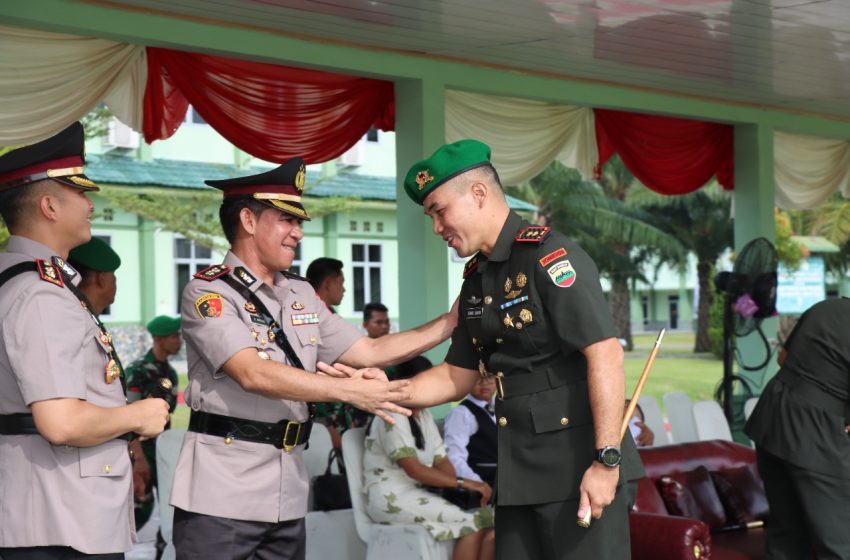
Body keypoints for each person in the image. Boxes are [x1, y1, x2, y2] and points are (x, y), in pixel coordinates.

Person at [360, 139, 644, 559]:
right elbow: (455, 376)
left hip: (576, 468)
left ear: (478, 194)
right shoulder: (476, 279)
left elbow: (605, 353)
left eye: (439, 210)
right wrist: (379, 391)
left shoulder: (549, 256)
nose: (437, 227)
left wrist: (606, 462)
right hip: (517, 472)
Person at [169, 157, 458, 560]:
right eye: (286, 220)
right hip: (223, 495)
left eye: (299, 222)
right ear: (248, 220)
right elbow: (252, 372)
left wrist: (450, 322)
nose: (297, 233)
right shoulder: (210, 294)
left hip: (287, 492)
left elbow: (369, 351)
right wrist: (347, 391)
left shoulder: (300, 294)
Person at [0, 122, 169, 558]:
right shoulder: (40, 293)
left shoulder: (28, 283)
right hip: (59, 521)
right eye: (80, 193)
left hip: (47, 512)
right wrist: (139, 415)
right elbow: (63, 422)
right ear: (49, 206)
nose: (90, 204)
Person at [745, 297, 850, 559]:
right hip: (814, 428)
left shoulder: (826, 307)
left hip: (772, 416)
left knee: (786, 534)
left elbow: (783, 358)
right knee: (841, 542)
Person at [363, 356, 495, 560]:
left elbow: (441, 461)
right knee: (475, 523)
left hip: (417, 494)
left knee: (491, 522)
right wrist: (466, 484)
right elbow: (414, 469)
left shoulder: (422, 414)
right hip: (391, 498)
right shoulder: (392, 413)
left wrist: (464, 489)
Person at [125, 314, 182, 552]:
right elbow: (128, 419)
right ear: (158, 338)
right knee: (141, 508)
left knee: (172, 509)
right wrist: (138, 459)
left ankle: (162, 552)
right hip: (141, 451)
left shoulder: (170, 373)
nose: (179, 340)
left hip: (162, 449)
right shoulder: (138, 370)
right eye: (173, 336)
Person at [443, 375, 498, 487]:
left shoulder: (503, 408)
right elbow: (454, 457)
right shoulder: (461, 414)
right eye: (478, 377)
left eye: (489, 377)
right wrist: (477, 484)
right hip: (485, 483)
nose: (484, 382)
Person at [67, 236, 121, 316]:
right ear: (102, 279)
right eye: (113, 274)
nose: (115, 279)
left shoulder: (71, 312)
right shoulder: (80, 321)